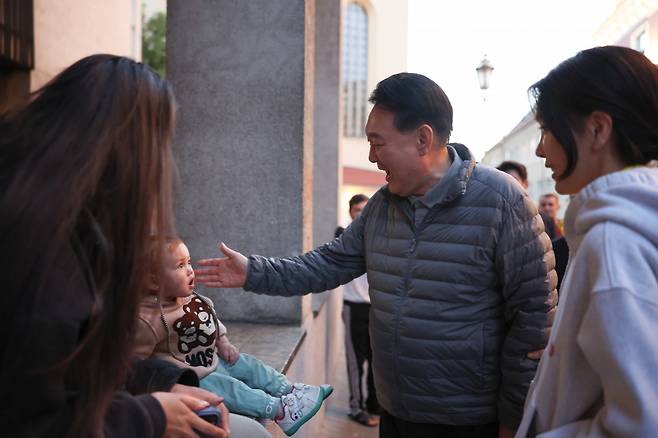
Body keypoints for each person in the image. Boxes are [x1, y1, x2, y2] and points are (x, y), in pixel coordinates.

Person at [196, 72, 557, 438]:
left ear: (422, 139)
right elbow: (329, 263)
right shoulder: (383, 206)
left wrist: (513, 420)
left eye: (377, 143)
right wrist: (254, 272)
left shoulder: (501, 201)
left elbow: (533, 324)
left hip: (467, 419)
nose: (371, 157)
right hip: (396, 410)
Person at [0, 54, 262, 438]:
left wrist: (161, 381)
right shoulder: (38, 249)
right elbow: (31, 417)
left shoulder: (72, 226)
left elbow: (79, 361)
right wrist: (151, 416)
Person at [515, 46, 658, 437]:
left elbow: (642, 424)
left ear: (598, 129)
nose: (541, 148)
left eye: (547, 129)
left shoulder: (614, 240)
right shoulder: (630, 223)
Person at [135, 237, 333, 437]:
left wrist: (223, 342)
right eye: (179, 266)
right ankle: (280, 411)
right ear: (154, 280)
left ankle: (289, 390)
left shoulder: (189, 297)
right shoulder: (147, 319)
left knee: (248, 364)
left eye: (189, 262)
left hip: (213, 359)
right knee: (232, 389)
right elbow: (136, 363)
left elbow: (210, 319)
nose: (189, 270)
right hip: (195, 378)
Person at [335, 194, 379, 427]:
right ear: (351, 212)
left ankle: (375, 404)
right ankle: (356, 407)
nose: (361, 213)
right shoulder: (345, 234)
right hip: (354, 308)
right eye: (357, 210)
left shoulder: (378, 233)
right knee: (356, 362)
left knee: (376, 361)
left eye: (365, 209)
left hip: (376, 308)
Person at [496, 161, 557, 240]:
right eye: (504, 181)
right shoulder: (492, 219)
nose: (509, 185)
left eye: (514, 179)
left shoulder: (545, 220)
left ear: (525, 184)